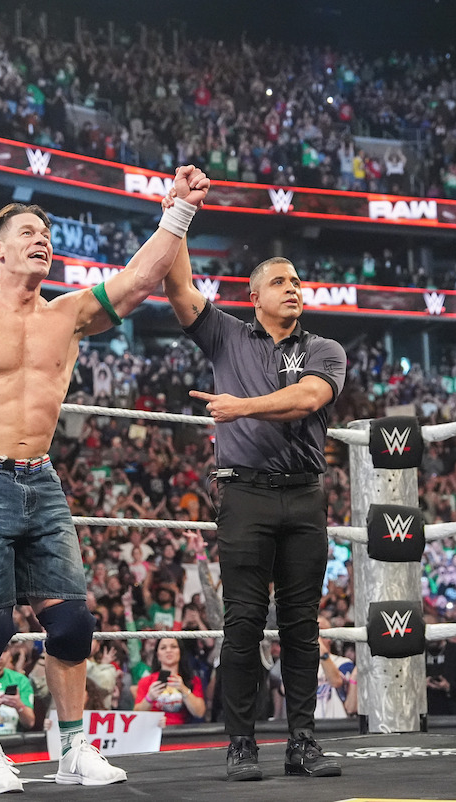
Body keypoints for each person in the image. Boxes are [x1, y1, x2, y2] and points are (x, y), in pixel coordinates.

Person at [0, 165, 209, 794]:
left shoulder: (69, 315)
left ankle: (73, 751)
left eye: (47, 234)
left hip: (42, 479)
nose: (42, 240)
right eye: (29, 231)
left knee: (72, 624)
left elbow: (143, 279)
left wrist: (178, 212)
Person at [162, 235, 346, 781]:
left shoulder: (324, 349)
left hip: (305, 493)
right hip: (244, 494)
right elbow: (178, 287)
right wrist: (180, 214)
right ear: (255, 295)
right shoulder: (226, 335)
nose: (293, 288)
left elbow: (310, 398)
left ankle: (303, 741)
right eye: (280, 282)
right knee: (242, 622)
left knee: (301, 625)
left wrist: (242, 408)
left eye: (296, 281)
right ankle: (241, 742)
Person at [133, 637, 207, 725]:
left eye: (173, 646)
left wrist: (184, 690)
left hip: (182, 732)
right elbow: (136, 714)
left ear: (180, 652)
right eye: (163, 648)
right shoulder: (146, 681)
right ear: (157, 655)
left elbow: (200, 713)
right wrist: (149, 698)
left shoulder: (193, 680)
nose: (168, 650)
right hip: (154, 730)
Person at [315, 616, 356, 719]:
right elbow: (284, 690)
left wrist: (319, 645)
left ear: (330, 637)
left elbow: (335, 681)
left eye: (319, 629)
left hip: (335, 725)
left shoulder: (343, 663)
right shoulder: (301, 664)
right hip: (310, 726)